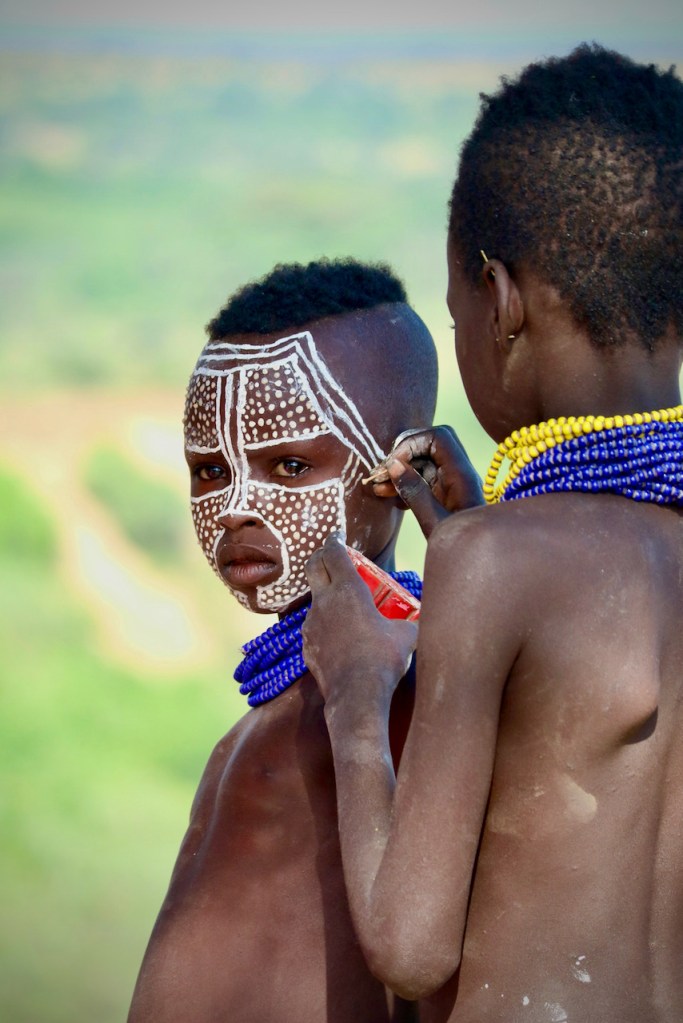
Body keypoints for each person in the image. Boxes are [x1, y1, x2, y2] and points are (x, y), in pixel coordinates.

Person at [303, 45, 683, 1022]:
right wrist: (479, 534)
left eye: (455, 312)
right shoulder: (503, 553)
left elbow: (410, 946)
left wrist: (354, 691)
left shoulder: (495, 564)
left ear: (499, 299)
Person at [127, 257, 459, 1022]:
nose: (235, 506)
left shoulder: (389, 702)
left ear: (399, 470)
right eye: (209, 470)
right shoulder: (291, 704)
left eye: (288, 464)